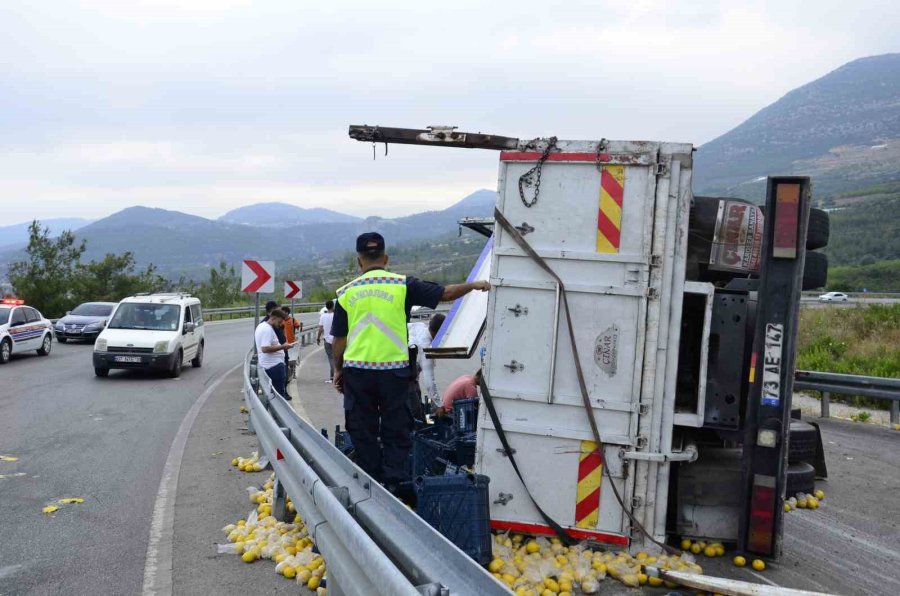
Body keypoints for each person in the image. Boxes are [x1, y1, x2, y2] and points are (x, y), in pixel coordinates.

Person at [331, 232, 490, 486]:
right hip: (394, 373)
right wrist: (473, 285)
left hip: (358, 373)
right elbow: (445, 293)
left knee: (362, 429)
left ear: (359, 261)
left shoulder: (347, 293)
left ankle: (369, 482)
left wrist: (338, 369)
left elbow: (339, 339)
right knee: (396, 429)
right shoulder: (403, 285)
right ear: (385, 258)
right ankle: (394, 484)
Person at [407, 313, 446, 414]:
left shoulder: (419, 325)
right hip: (403, 380)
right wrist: (439, 405)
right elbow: (429, 384)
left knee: (417, 396)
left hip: (391, 368)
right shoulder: (427, 348)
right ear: (440, 333)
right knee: (416, 412)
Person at [255, 309, 295, 400]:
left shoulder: (262, 326)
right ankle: (278, 414)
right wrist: (283, 347)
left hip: (270, 365)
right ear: (273, 318)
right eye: (279, 321)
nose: (280, 324)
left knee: (274, 396)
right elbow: (265, 348)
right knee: (279, 398)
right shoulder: (267, 330)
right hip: (274, 367)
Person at [317, 300, 335, 383]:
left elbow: (320, 329)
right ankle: (338, 376)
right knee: (338, 358)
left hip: (327, 340)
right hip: (336, 340)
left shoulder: (323, 316)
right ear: (333, 306)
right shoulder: (336, 315)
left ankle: (332, 377)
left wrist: (318, 338)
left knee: (331, 358)